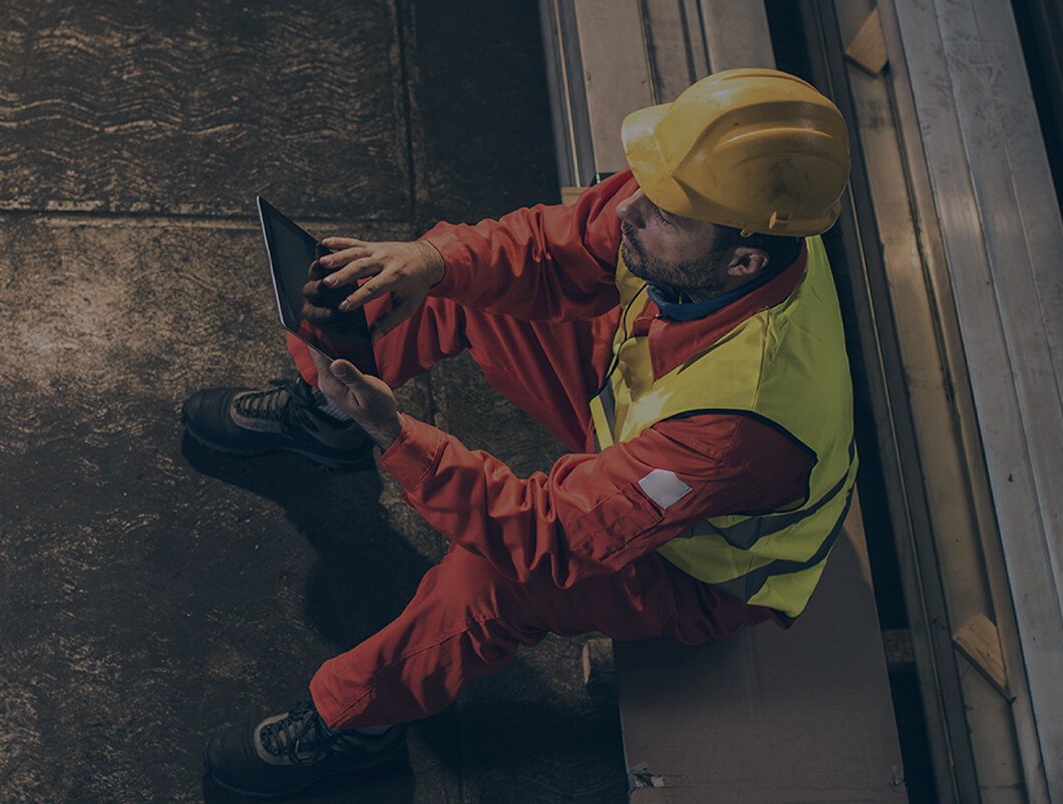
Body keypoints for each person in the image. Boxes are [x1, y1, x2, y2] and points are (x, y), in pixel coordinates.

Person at [184, 68, 856, 798]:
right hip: (642, 417)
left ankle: (355, 723)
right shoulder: (722, 217)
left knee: (496, 578)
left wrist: (398, 436)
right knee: (448, 282)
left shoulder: (740, 422)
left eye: (663, 212)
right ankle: (329, 416)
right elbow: (546, 248)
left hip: (695, 568)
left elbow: (555, 538)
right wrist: (429, 262)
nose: (628, 207)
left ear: (744, 260)